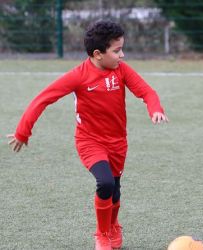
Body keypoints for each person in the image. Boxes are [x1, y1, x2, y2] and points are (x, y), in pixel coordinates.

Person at [7, 20, 168, 249]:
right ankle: (102, 234)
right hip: (89, 141)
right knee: (105, 183)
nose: (122, 55)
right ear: (97, 54)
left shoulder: (121, 70)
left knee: (115, 188)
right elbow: (43, 99)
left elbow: (146, 91)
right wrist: (23, 132)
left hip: (118, 142)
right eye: (117, 50)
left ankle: (113, 226)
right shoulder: (78, 76)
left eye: (122, 48)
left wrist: (155, 110)